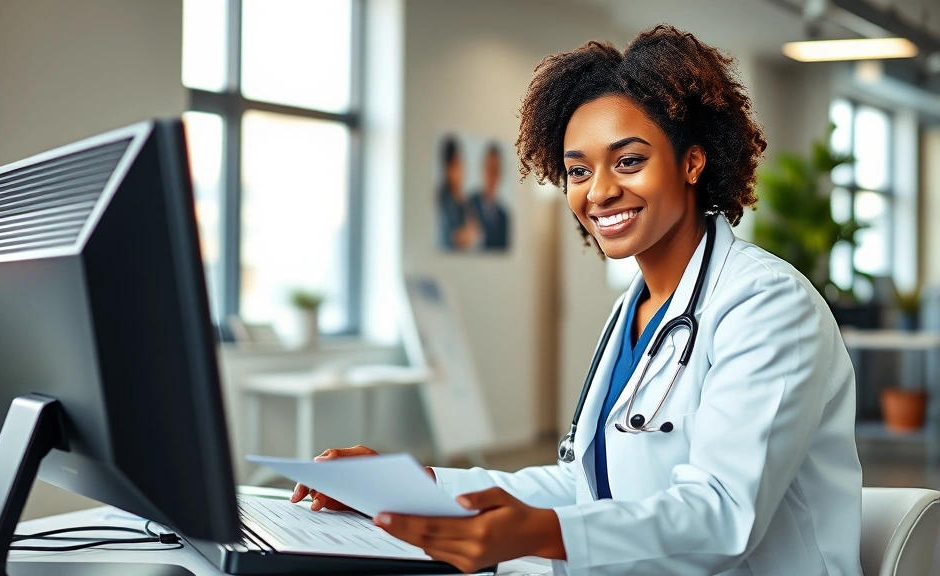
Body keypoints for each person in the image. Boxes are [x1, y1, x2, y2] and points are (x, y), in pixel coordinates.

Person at [293, 25, 862, 576]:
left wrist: (545, 533)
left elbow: (721, 516)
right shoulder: (635, 312)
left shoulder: (767, 305)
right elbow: (586, 485)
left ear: (693, 161)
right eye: (577, 170)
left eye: (629, 161)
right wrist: (415, 486)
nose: (600, 190)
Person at [437, 136, 480, 251]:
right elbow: (455, 238)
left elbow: (476, 233)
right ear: (447, 168)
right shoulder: (442, 198)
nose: (461, 171)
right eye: (456, 165)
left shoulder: (465, 200)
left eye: (462, 164)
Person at [467, 143, 510, 250]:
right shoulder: (469, 203)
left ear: (500, 174)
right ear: (483, 169)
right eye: (489, 169)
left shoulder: (504, 216)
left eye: (495, 170)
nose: (491, 175)